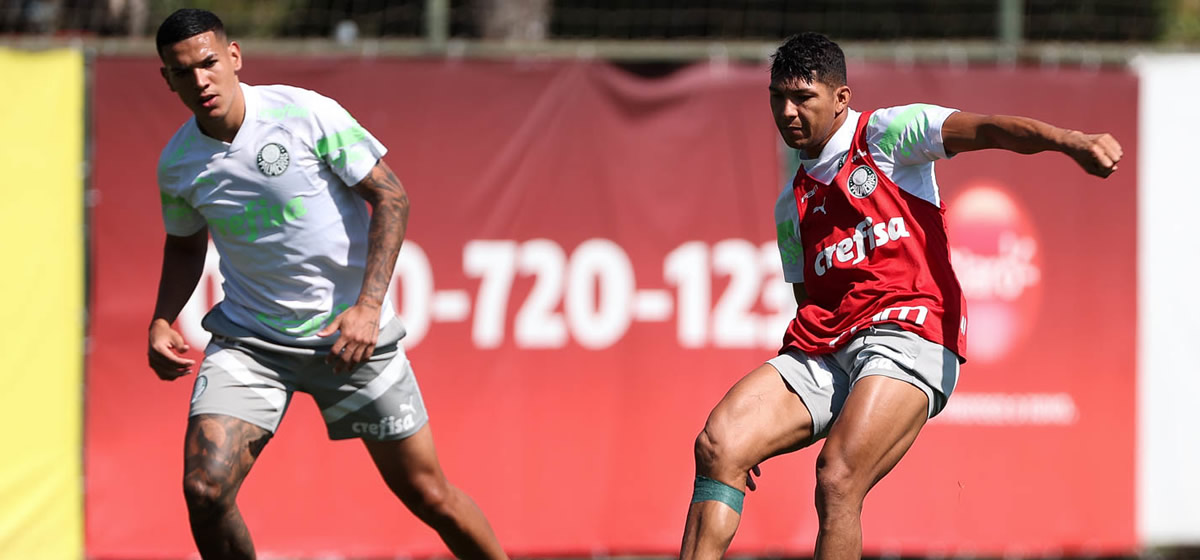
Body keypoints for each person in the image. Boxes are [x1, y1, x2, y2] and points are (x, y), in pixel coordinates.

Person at [678, 32, 1122, 560]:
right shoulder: (789, 204)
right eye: (779, 97)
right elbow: (809, 302)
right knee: (720, 443)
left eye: (804, 98)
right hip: (829, 346)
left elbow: (986, 128)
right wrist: (767, 424)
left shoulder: (888, 135)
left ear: (841, 97)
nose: (788, 111)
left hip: (910, 331)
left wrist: (1070, 140)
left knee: (837, 479)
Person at [147, 9, 508, 560]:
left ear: (235, 57)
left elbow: (391, 197)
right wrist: (161, 317)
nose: (200, 81)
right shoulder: (178, 164)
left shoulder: (305, 113)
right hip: (252, 344)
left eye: (209, 63)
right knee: (204, 489)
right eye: (183, 72)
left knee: (429, 495)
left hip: (352, 339)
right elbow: (186, 243)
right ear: (166, 79)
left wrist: (368, 308)